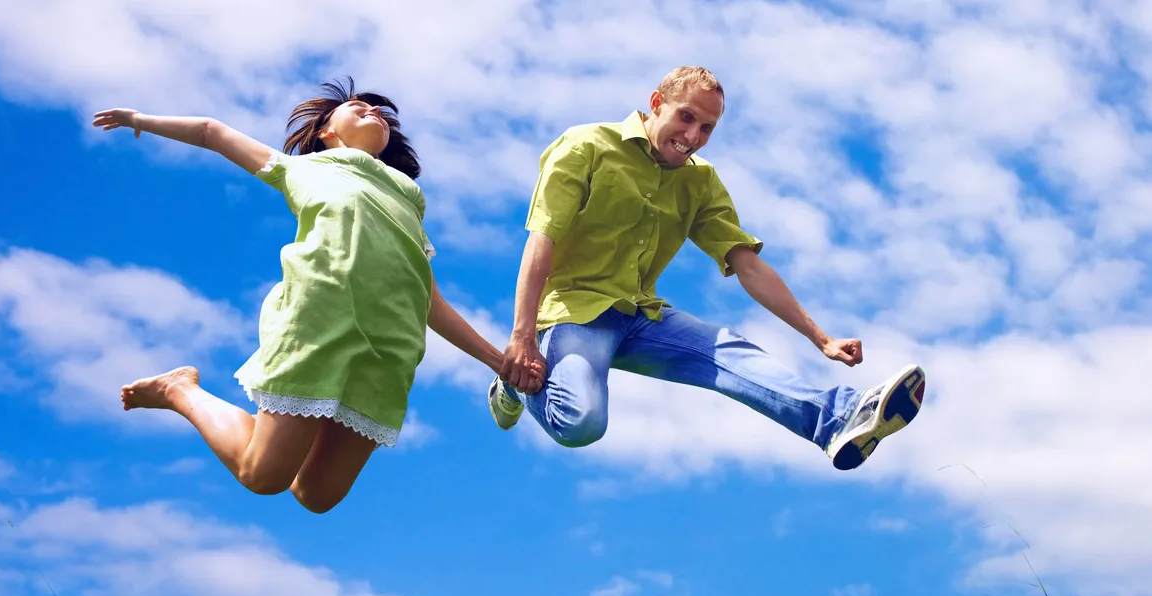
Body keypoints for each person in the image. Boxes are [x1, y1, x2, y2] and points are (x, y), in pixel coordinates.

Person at [94, 78, 532, 512]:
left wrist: (499, 362)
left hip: (389, 349)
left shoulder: (410, 197)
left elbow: (429, 300)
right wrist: (139, 119)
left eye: (380, 113)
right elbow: (212, 131)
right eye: (358, 107)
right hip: (319, 325)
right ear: (326, 132)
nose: (373, 112)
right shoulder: (301, 169)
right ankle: (179, 391)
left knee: (316, 495)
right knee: (263, 476)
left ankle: (278, 435)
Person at [487, 66, 925, 471]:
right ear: (656, 102)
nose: (693, 136)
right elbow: (542, 240)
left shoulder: (700, 180)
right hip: (573, 314)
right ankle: (513, 386)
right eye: (686, 117)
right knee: (581, 421)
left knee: (729, 349)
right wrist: (522, 339)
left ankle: (838, 418)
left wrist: (822, 339)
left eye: (707, 128)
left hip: (641, 318)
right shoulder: (586, 146)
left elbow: (748, 265)